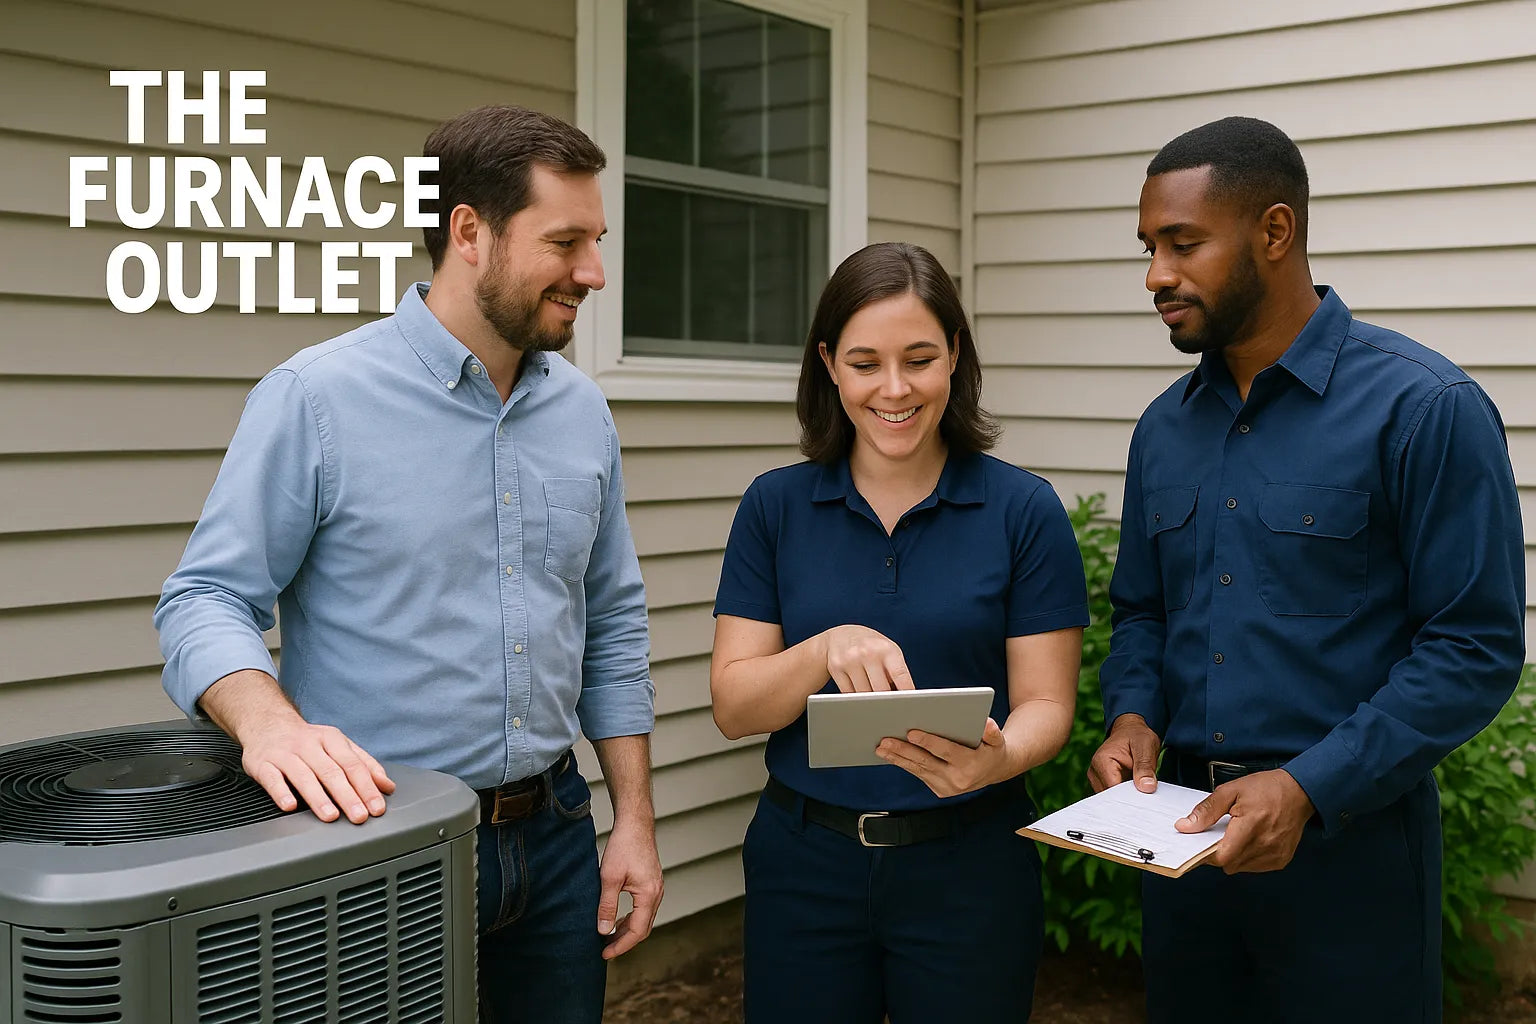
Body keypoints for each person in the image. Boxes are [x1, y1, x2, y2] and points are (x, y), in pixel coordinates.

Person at [154, 105, 662, 1024]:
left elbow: (612, 619)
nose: (593, 271)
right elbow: (204, 599)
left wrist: (633, 818)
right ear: (469, 231)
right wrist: (268, 726)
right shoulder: (315, 398)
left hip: (555, 837)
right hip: (382, 840)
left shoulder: (584, 413)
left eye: (596, 240)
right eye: (566, 242)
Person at [1088, 116, 1526, 1023]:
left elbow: (1473, 647)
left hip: (1350, 861)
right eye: (1148, 247)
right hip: (1179, 846)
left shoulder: (1425, 408)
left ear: (1275, 232)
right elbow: (1141, 612)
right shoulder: (1162, 429)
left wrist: (1307, 788)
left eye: (1183, 244)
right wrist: (1132, 715)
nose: (1155, 275)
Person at [710, 241, 1089, 1022]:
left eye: (919, 358)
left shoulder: (1024, 511)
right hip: (804, 862)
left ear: (955, 354)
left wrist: (1003, 758)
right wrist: (820, 649)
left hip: (972, 863)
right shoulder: (774, 508)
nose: (894, 389)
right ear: (828, 364)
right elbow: (734, 707)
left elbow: (1048, 703)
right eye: (864, 362)